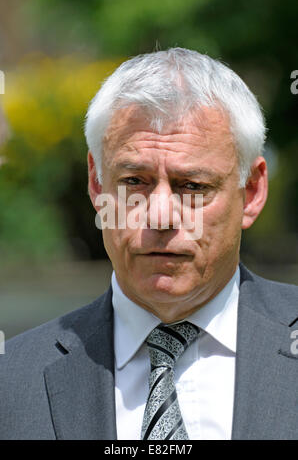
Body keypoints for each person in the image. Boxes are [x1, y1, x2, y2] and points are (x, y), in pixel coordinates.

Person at [0, 48, 297, 440]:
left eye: (192, 186)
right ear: (96, 184)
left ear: (252, 192)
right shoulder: (12, 382)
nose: (160, 216)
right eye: (133, 182)